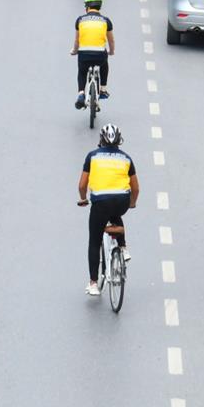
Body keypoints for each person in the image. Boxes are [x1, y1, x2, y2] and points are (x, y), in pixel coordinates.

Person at [77, 124, 138, 296]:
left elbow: (82, 185)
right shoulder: (126, 159)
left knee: (94, 241)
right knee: (116, 213)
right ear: (119, 140)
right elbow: (136, 188)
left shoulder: (92, 156)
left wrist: (83, 199)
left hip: (100, 204)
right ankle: (123, 247)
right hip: (122, 201)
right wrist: (132, 203)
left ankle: (94, 283)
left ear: (101, 140)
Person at [71, 0, 114, 109]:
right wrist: (111, 52)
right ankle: (103, 89)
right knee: (104, 64)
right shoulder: (106, 21)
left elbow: (77, 41)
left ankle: (81, 93)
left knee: (82, 71)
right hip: (100, 55)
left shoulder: (80, 20)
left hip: (84, 54)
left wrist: (74, 51)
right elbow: (111, 42)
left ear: (87, 7)